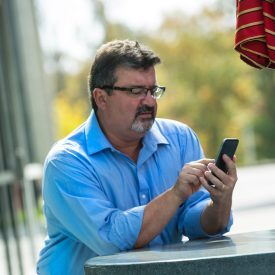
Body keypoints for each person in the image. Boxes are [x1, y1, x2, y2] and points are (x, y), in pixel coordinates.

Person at [36, 39, 237, 275]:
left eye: (153, 91)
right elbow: (110, 240)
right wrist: (175, 195)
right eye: (136, 91)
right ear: (101, 98)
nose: (150, 101)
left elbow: (195, 223)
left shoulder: (180, 138)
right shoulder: (67, 162)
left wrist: (220, 202)